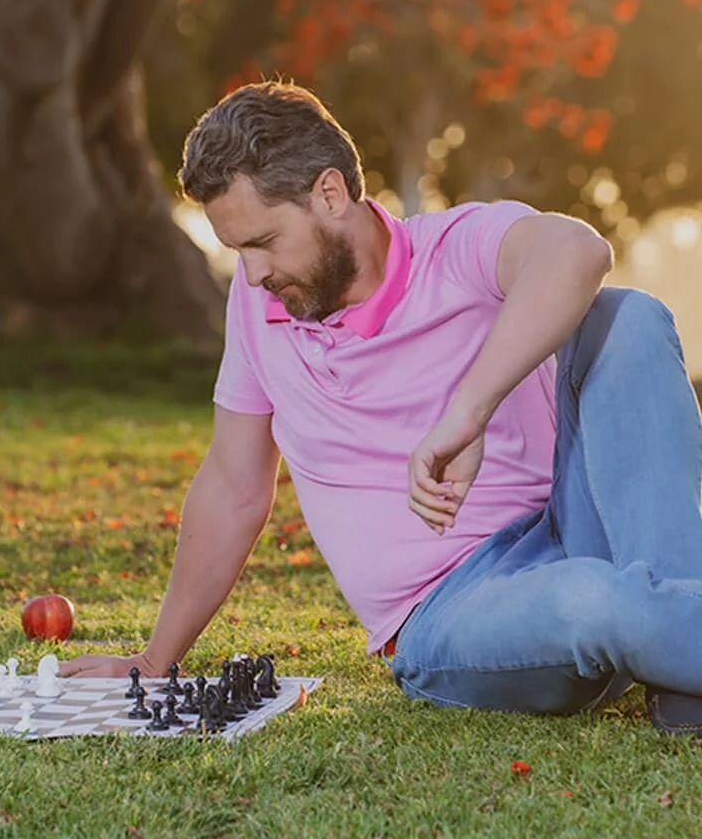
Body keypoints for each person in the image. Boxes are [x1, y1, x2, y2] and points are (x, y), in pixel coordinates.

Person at [62, 79, 702, 736]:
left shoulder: (455, 248)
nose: (253, 275)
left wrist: (469, 409)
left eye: (264, 242)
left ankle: (683, 654)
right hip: (454, 612)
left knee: (627, 317)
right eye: (238, 253)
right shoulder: (257, 308)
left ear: (330, 194)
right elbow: (233, 484)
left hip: (576, 533)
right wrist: (154, 659)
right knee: (596, 601)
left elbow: (578, 251)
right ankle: (678, 643)